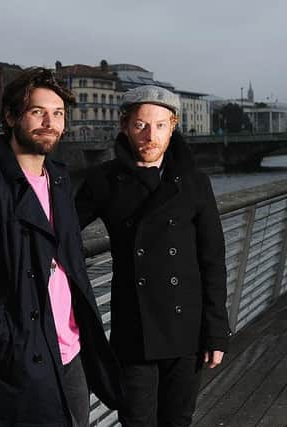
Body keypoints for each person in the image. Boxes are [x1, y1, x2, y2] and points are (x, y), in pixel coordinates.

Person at [0, 68, 123, 427]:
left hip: (70, 347)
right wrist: (6, 339)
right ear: (11, 116)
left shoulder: (59, 178)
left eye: (58, 113)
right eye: (37, 112)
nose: (50, 122)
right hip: (24, 354)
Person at [75, 85, 232, 427]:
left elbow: (213, 261)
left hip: (186, 329)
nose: (150, 135)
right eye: (141, 125)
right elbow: (63, 228)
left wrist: (217, 332)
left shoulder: (194, 182)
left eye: (160, 125)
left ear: (173, 127)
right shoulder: (104, 181)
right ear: (125, 126)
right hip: (134, 329)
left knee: (178, 420)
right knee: (137, 420)